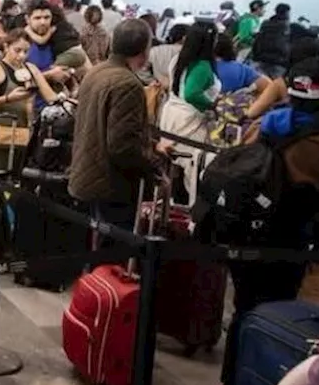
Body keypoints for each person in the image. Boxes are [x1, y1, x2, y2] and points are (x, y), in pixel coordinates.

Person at [216, 59, 319, 385]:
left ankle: (230, 382)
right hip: (283, 243)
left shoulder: (267, 124)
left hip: (244, 232)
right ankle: (251, 384)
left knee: (245, 306)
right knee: (271, 310)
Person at [68, 19, 163, 235]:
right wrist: (153, 167)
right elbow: (122, 146)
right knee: (114, 257)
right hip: (111, 186)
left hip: (87, 173)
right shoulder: (128, 84)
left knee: (97, 252)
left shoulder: (96, 71)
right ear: (145, 49)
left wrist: (152, 145)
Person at [0, 28, 62, 171]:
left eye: (26, 51)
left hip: (22, 129)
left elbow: (50, 97)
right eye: (17, 50)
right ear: (6, 47)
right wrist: (8, 98)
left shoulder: (31, 68)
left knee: (18, 174)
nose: (22, 56)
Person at [158, 22, 219, 204]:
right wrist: (212, 105)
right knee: (193, 171)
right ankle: (192, 216)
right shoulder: (203, 66)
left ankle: (168, 207)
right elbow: (192, 94)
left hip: (170, 116)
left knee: (171, 166)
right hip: (190, 122)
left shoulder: (179, 58)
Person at [250, 2, 292, 79]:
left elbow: (258, 39)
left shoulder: (265, 23)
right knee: (274, 86)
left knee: (260, 84)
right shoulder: (287, 26)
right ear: (287, 13)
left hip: (261, 58)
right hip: (278, 61)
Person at [148, 24, 188, 89]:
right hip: (180, 91)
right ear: (184, 38)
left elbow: (141, 70)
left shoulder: (155, 50)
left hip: (159, 89)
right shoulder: (189, 52)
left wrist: (151, 81)